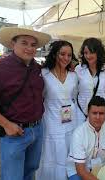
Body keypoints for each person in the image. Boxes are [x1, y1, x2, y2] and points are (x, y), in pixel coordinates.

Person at [0, 26, 51, 180]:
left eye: (33, 45)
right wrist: (6, 124)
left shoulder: (37, 68)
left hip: (37, 129)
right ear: (12, 44)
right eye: (24, 43)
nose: (29, 48)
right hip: (14, 133)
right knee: (13, 177)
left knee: (30, 172)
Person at [35, 40, 79, 180]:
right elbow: (39, 97)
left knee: (68, 152)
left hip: (71, 121)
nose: (66, 58)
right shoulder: (44, 74)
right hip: (51, 121)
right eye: (62, 54)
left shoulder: (73, 76)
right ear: (54, 54)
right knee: (52, 154)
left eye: (69, 55)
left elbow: (74, 97)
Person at [67, 96, 105, 180]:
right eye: (94, 113)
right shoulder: (79, 134)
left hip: (101, 169)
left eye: (101, 113)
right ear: (88, 113)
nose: (97, 117)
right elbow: (81, 170)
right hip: (78, 172)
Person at [75, 37, 105, 127]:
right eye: (86, 53)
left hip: (100, 115)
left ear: (98, 53)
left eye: (91, 52)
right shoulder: (78, 69)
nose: (88, 56)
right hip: (81, 114)